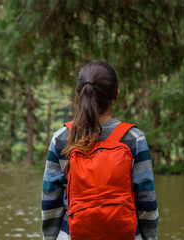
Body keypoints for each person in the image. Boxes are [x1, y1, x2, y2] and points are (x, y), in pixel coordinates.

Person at [41, 60, 159, 240]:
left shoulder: (62, 138)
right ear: (116, 94)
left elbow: (50, 202)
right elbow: (147, 203)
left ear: (79, 94)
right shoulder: (134, 139)